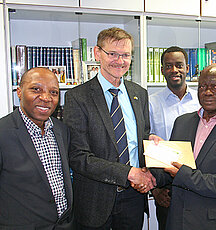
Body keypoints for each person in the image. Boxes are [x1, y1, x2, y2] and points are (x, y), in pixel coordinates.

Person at [63, 27, 160, 230]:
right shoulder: (77, 97)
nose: (119, 61)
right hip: (94, 201)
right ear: (98, 53)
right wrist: (128, 173)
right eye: (112, 54)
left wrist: (150, 142)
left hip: (133, 197)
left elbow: (139, 139)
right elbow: (78, 156)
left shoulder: (139, 94)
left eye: (125, 55)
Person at [150, 64, 216, 230]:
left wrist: (185, 174)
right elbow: (170, 170)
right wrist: (151, 169)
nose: (208, 92)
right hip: (178, 219)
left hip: (215, 223)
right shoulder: (182, 122)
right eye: (203, 86)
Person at [0, 67, 74, 229]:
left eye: (54, 92)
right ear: (19, 92)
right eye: (36, 89)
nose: (46, 98)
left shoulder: (61, 130)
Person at [149, 46, 200, 230]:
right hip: (166, 186)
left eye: (179, 65)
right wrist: (155, 190)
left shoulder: (202, 100)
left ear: (187, 68)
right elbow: (145, 146)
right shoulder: (151, 103)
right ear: (162, 70)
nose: (174, 70)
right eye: (168, 66)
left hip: (200, 180)